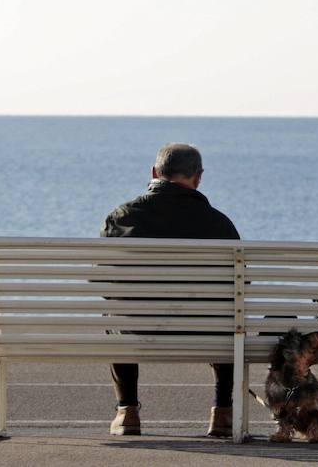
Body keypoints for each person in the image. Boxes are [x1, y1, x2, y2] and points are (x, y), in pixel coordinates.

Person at [100, 142, 240, 438]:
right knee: (230, 318)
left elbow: (104, 283)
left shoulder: (121, 218)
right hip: (203, 331)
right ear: (198, 177)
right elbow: (239, 289)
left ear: (154, 172)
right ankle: (223, 413)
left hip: (136, 329)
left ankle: (127, 412)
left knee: (114, 315)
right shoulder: (219, 224)